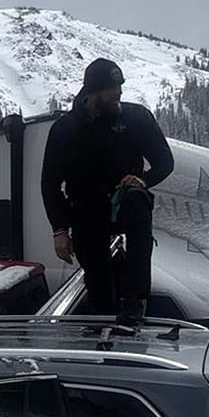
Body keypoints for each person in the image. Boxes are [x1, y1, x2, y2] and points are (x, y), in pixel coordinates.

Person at [40, 57, 174, 325]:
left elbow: (165, 163)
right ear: (92, 93)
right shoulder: (65, 129)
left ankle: (133, 300)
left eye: (120, 88)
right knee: (98, 283)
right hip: (86, 207)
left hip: (124, 200)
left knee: (137, 199)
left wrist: (143, 180)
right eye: (112, 90)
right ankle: (100, 319)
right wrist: (60, 230)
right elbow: (50, 183)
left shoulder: (136, 118)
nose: (119, 95)